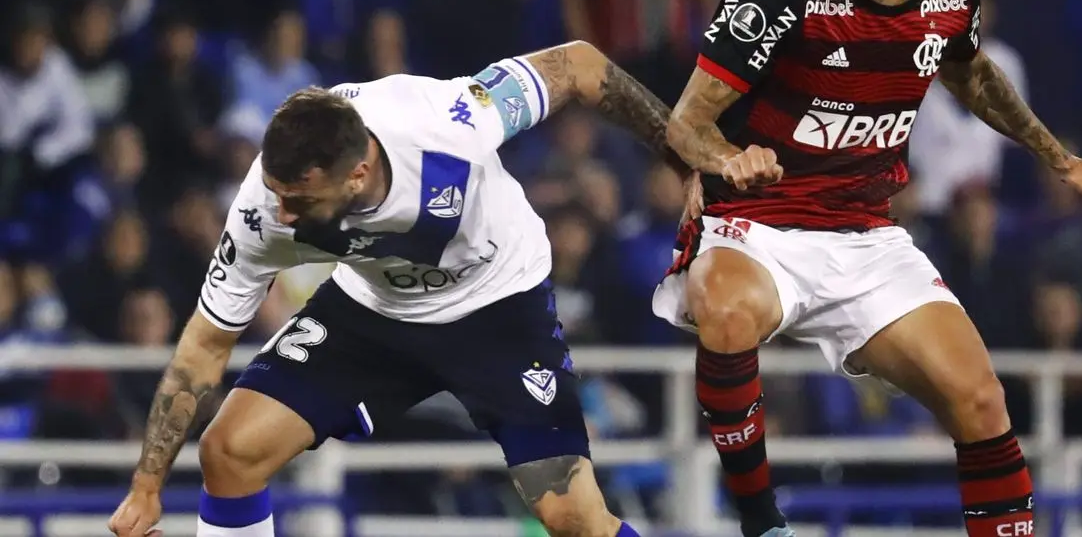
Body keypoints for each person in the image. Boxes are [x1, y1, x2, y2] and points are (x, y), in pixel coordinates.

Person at [654, 0, 1082, 537]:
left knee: (981, 400)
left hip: (867, 237)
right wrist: (726, 159)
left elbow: (972, 74)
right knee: (725, 316)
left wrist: (1060, 160)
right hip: (758, 225)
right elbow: (685, 124)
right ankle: (763, 526)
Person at [107, 40, 684, 537]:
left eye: (300, 200)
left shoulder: (448, 121)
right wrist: (146, 485)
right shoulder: (263, 209)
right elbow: (204, 347)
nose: (281, 214)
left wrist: (683, 154)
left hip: (497, 305)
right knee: (228, 451)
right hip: (376, 310)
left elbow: (578, 65)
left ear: (356, 174)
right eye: (276, 192)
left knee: (573, 519)